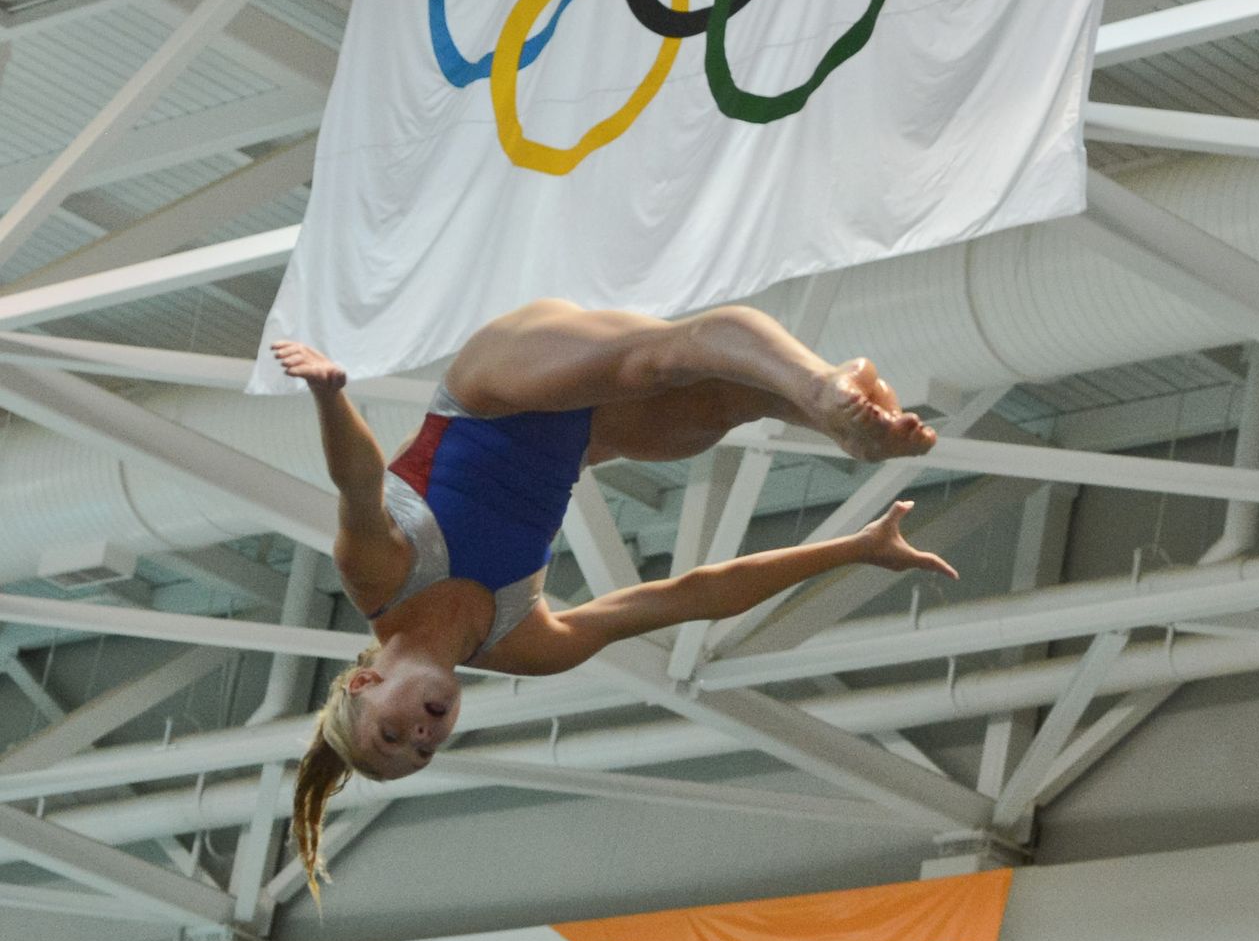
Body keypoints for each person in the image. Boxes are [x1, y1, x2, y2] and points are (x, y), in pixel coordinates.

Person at [273, 299, 957, 893]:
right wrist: (855, 548)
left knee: (661, 362)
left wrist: (331, 396)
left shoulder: (379, 579)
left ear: (365, 679)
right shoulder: (527, 646)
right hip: (582, 434)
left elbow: (359, 484)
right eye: (423, 750)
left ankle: (824, 387)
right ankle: (849, 412)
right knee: (716, 410)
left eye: (393, 732)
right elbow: (687, 598)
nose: (422, 734)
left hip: (492, 386)